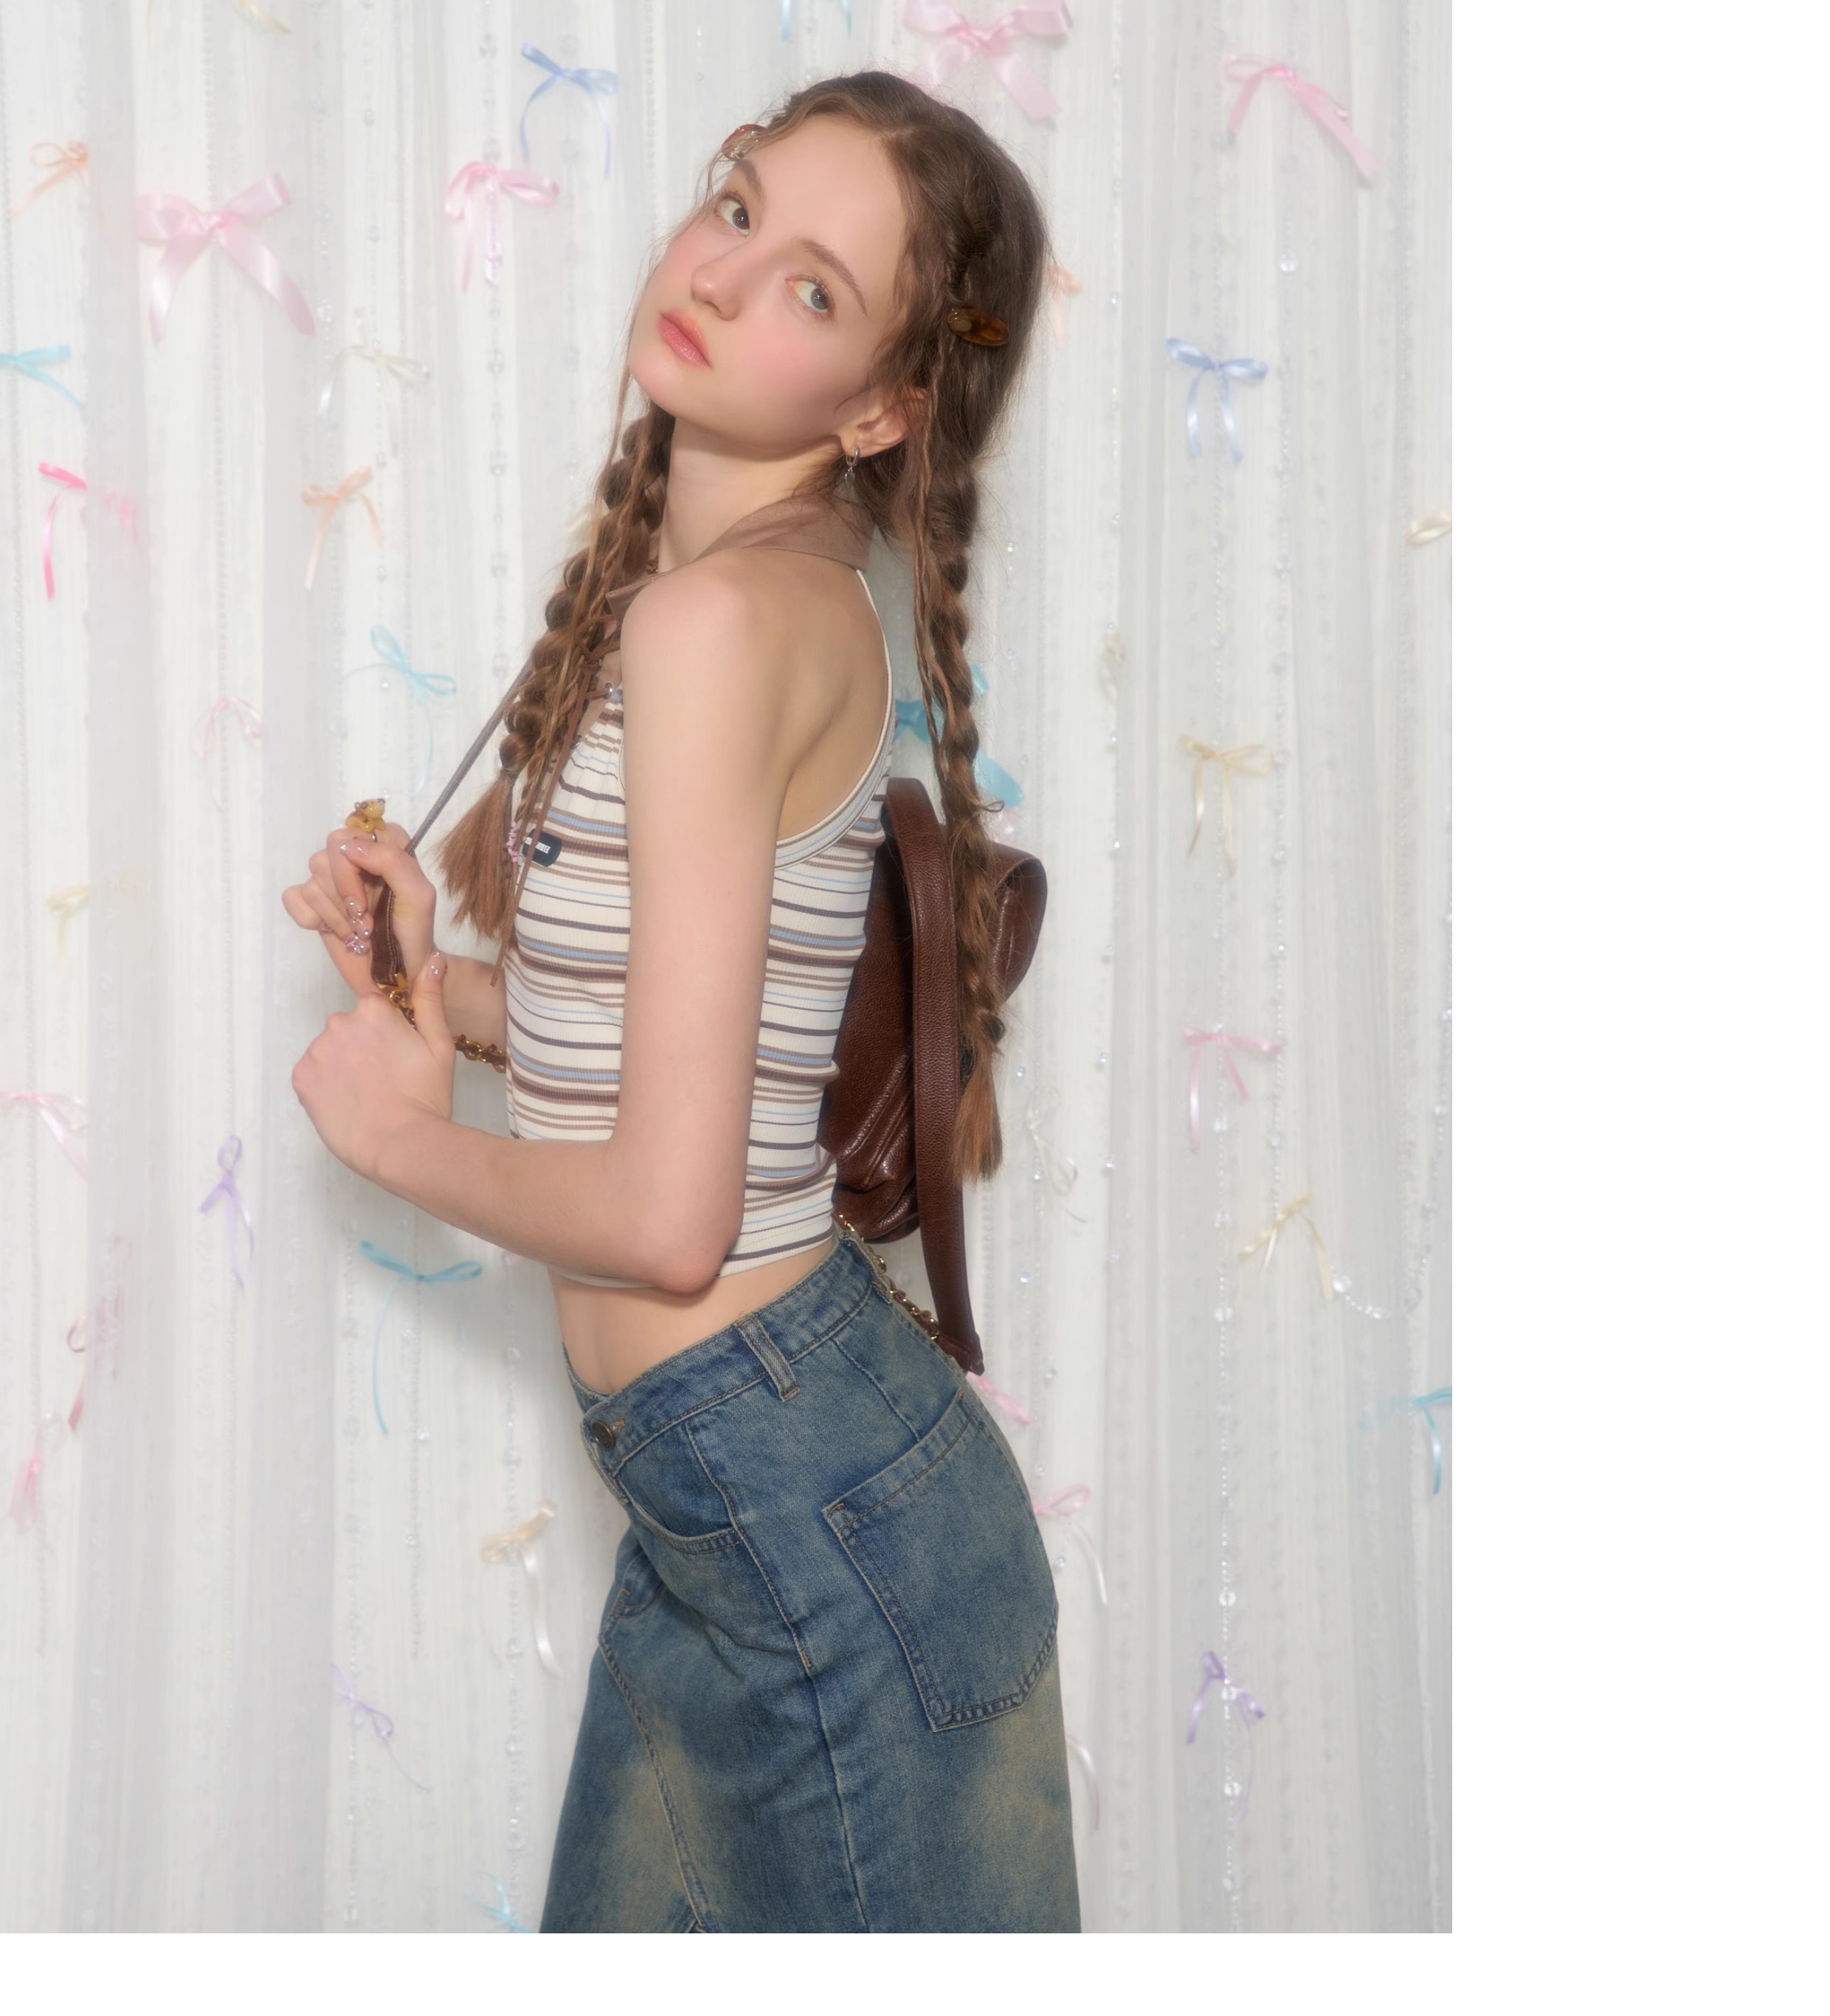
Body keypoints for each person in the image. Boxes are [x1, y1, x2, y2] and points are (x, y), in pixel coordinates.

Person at [281, 72, 1077, 1933]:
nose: (719, 276)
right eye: (737, 206)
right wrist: (436, 987)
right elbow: (681, 1042)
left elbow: (667, 1219)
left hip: (811, 1515)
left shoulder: (717, 625)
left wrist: (399, 1140)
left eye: (813, 287)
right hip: (743, 1507)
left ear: (882, 408)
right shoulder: (752, 594)